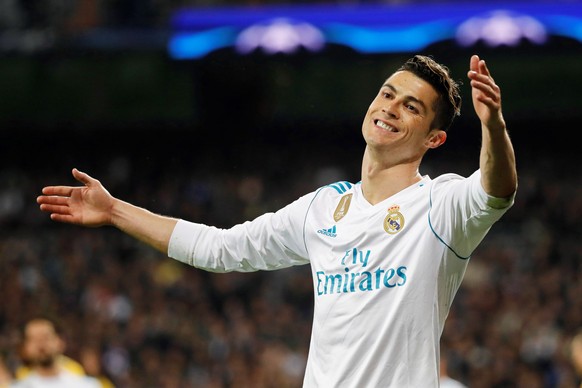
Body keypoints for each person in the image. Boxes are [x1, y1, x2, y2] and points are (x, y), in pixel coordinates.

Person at [37, 54, 517, 387]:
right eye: (387, 94)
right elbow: (219, 249)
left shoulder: (440, 206)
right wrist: (115, 210)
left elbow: (497, 190)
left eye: (410, 107)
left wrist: (492, 124)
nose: (390, 107)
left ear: (433, 139)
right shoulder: (322, 208)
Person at [8, 318, 101, 388]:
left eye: (46, 337)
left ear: (60, 342)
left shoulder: (86, 385)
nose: (41, 344)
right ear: (25, 347)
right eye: (34, 339)